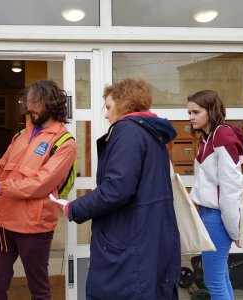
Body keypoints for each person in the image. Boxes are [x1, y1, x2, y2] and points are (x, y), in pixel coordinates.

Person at [59, 78, 181, 299]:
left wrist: (73, 208)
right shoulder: (152, 133)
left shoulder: (127, 131)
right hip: (149, 235)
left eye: (108, 107)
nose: (106, 115)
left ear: (124, 103)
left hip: (129, 239)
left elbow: (117, 189)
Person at [0, 80, 77, 300]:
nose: (29, 108)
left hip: (34, 228)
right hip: (1, 225)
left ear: (51, 102)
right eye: (27, 102)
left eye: (35, 102)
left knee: (39, 291)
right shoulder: (20, 136)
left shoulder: (65, 142)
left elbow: (41, 184)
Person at [187, 90, 243, 300]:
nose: (191, 117)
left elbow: (231, 188)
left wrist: (233, 229)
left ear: (211, 111)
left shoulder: (222, 136)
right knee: (220, 277)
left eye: (196, 112)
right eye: (189, 112)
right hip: (208, 214)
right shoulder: (206, 139)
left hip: (217, 217)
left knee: (214, 281)